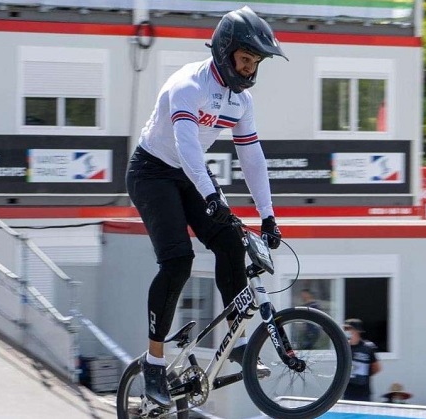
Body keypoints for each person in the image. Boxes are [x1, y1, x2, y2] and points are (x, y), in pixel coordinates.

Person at [125, 6, 287, 407]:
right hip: (152, 172)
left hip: (190, 174)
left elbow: (252, 159)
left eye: (256, 63)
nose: (250, 70)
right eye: (245, 59)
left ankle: (236, 342)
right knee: (177, 261)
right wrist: (211, 196)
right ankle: (153, 362)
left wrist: (268, 215)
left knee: (231, 242)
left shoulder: (241, 101)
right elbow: (186, 146)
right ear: (224, 51)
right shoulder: (188, 85)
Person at [342, 318, 382, 401]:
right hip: (348, 391)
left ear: (357, 331)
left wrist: (364, 374)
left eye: (349, 329)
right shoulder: (344, 347)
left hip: (363, 392)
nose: (347, 331)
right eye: (345, 329)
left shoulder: (367, 347)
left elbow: (377, 368)